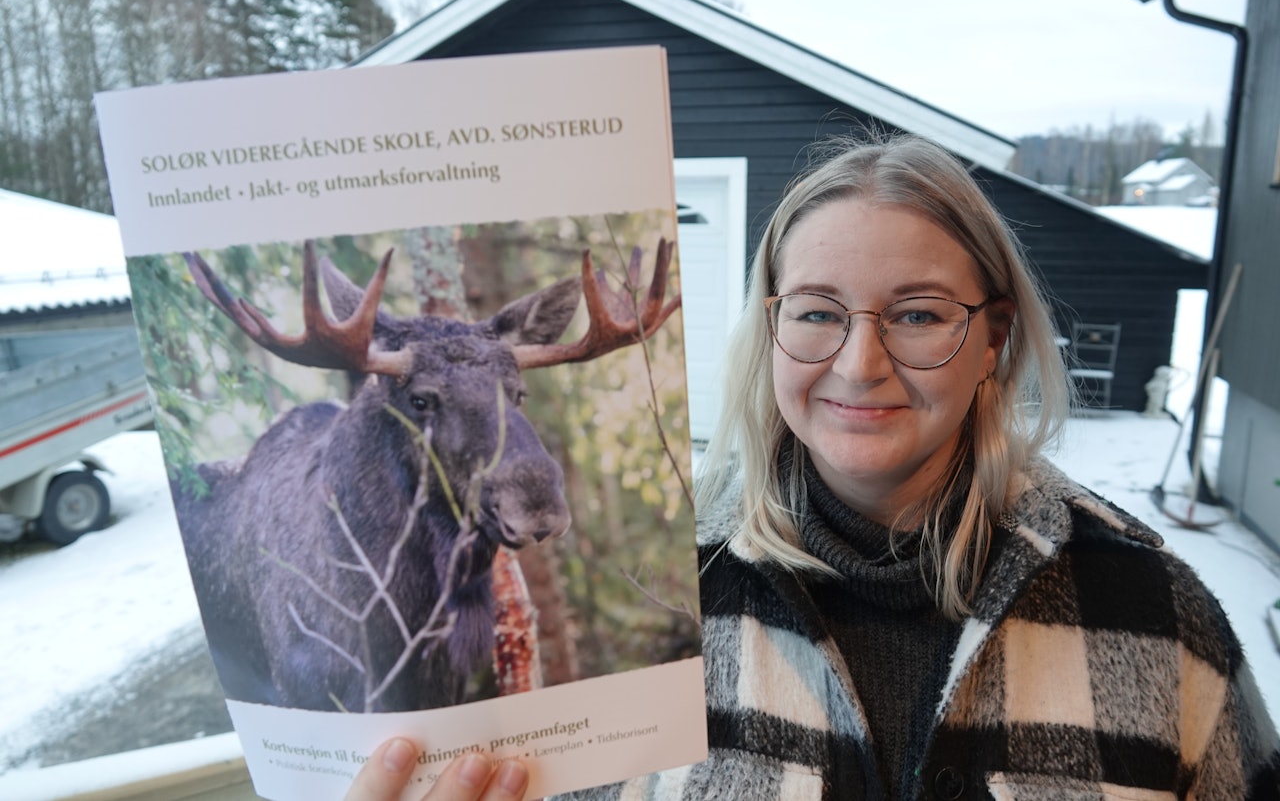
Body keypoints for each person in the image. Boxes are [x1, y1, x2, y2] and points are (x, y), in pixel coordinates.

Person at [348, 133, 1280, 800]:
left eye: (917, 313)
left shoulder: (1157, 614)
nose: (858, 364)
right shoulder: (672, 600)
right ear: (770, 323)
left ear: (994, 336)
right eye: (817, 311)